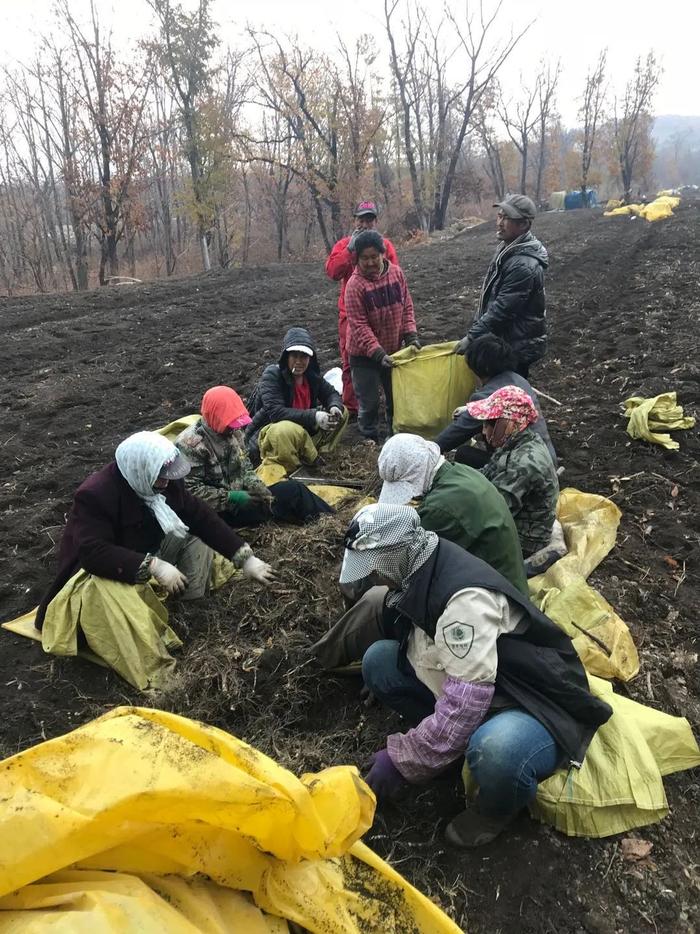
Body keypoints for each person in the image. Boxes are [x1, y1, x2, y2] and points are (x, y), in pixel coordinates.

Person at [326, 504, 612, 847]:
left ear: (392, 557)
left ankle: (494, 810)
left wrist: (403, 758)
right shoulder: (421, 562)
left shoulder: (464, 604)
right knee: (379, 662)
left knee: (497, 752)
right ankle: (449, 752)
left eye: (373, 569)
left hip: (525, 695)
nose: (371, 578)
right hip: (478, 676)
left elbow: (465, 706)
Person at [36, 431, 276, 690]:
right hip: (98, 572)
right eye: (161, 477)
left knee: (190, 533)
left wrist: (245, 558)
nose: (165, 483)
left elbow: (201, 517)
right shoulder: (96, 494)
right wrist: (154, 565)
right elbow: (93, 552)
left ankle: (188, 604)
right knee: (107, 592)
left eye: (168, 476)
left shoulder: (165, 482)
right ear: (142, 469)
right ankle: (156, 672)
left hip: (145, 550)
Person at [377, 433, 527, 593]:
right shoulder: (459, 473)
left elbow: (406, 564)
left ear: (417, 472)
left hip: (496, 601)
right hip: (501, 583)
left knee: (382, 595)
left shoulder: (441, 508)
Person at [176, 386, 333, 526]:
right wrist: (231, 498)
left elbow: (245, 468)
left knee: (294, 491)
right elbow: (189, 493)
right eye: (229, 424)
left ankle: (332, 522)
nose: (233, 429)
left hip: (242, 500)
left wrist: (260, 490)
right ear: (215, 417)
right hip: (215, 513)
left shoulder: (234, 433)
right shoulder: (190, 445)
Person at [455, 194, 549, 378]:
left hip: (517, 344)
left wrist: (472, 337)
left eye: (507, 218)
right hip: (507, 339)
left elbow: (503, 308)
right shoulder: (509, 248)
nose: (499, 222)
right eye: (500, 215)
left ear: (524, 225)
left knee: (510, 394)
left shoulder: (523, 263)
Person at [464, 386, 560, 560]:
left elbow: (491, 514)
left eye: (490, 424)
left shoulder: (523, 463)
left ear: (509, 424)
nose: (484, 431)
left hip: (524, 541)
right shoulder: (516, 442)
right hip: (512, 520)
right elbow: (486, 473)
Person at [436, 334, 557, 467]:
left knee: (464, 454)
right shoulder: (519, 380)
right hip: (546, 460)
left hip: (522, 468)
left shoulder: (489, 397)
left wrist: (426, 449)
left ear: (481, 367)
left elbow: (452, 435)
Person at [344, 231, 420, 442]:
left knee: (395, 398)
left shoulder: (396, 274)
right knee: (369, 403)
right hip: (364, 356)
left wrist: (411, 335)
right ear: (357, 259)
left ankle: (395, 435)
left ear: (382, 254)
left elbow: (407, 307)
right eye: (364, 258)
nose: (370, 263)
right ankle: (369, 437)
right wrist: (377, 353)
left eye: (374, 257)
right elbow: (359, 325)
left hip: (394, 350)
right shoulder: (354, 286)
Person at [325, 201, 400, 416]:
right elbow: (332, 271)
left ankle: (390, 406)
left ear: (375, 221)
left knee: (388, 357)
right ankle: (353, 408)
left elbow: (394, 276)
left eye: (370, 219)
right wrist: (351, 250)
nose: (365, 223)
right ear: (355, 220)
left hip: (381, 313)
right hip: (351, 315)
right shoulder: (345, 245)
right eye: (362, 219)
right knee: (350, 362)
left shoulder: (384, 245)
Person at [245, 326, 348, 474]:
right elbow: (276, 413)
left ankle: (318, 454)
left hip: (302, 431)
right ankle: (292, 467)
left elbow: (331, 393)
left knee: (342, 413)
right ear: (286, 356)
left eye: (304, 357)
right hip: (272, 434)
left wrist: (334, 407)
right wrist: (315, 416)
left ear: (310, 359)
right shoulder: (273, 375)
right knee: (284, 429)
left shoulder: (311, 375)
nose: (299, 362)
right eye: (294, 356)